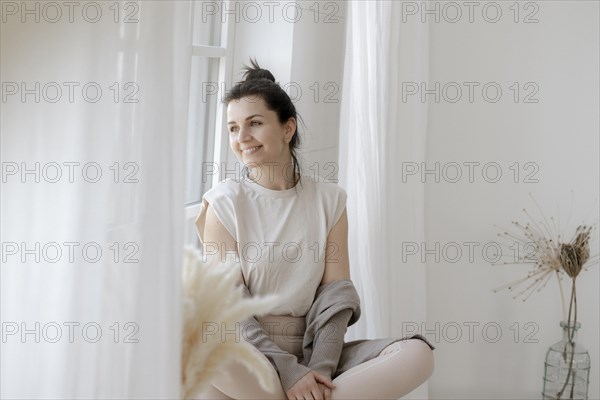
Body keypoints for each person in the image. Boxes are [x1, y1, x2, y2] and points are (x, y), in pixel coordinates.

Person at [194, 59, 434, 400]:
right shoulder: (223, 203)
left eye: (255, 123)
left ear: (287, 128)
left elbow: (335, 298)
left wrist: (317, 371)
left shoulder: (329, 200)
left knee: (417, 356)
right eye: (233, 128)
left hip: (313, 348)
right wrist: (288, 371)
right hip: (248, 353)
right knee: (192, 339)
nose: (242, 138)